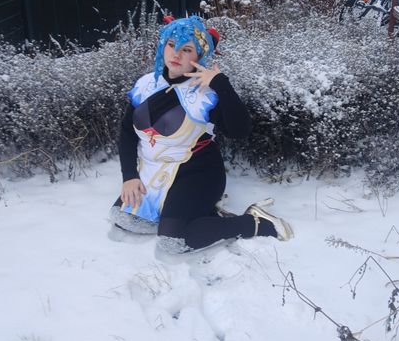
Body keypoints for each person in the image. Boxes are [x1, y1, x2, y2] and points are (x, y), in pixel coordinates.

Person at [112, 15, 292, 251]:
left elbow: (240, 131)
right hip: (154, 169)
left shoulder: (205, 94)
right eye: (171, 45)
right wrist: (129, 176)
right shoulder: (147, 84)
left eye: (187, 49)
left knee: (174, 242)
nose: (176, 54)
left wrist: (220, 83)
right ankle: (196, 214)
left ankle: (254, 222)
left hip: (197, 172)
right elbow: (127, 132)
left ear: (199, 56)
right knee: (125, 218)